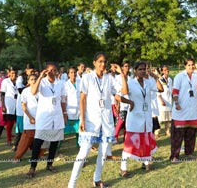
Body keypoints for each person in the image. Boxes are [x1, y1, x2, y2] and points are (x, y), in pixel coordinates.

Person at [68, 52, 129, 188]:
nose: (103, 64)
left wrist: (121, 73)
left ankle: (97, 179)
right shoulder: (87, 77)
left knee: (103, 153)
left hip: (106, 121)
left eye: (105, 61)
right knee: (83, 153)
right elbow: (82, 99)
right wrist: (82, 120)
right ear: (94, 62)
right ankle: (71, 184)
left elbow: (124, 91)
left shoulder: (110, 78)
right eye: (100, 61)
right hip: (91, 121)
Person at [119, 61, 163, 178]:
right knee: (130, 144)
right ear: (135, 71)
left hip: (146, 117)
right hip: (134, 117)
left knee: (145, 142)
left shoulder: (149, 82)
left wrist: (155, 77)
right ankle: (123, 168)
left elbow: (160, 89)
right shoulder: (130, 83)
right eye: (140, 69)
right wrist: (130, 102)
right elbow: (120, 96)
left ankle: (146, 163)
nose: (143, 71)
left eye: (144, 69)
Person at [26, 62, 67, 178]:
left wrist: (64, 114)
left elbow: (63, 100)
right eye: (50, 70)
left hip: (57, 116)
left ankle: (49, 164)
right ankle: (32, 167)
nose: (52, 72)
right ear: (46, 71)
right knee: (37, 143)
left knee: (54, 143)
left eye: (54, 70)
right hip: (44, 118)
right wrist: (40, 76)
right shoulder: (42, 82)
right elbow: (33, 91)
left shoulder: (61, 83)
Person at [170, 57, 197, 163]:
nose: (191, 67)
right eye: (189, 65)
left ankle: (189, 153)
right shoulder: (179, 76)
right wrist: (176, 103)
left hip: (192, 110)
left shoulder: (196, 76)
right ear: (185, 66)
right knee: (177, 135)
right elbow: (175, 91)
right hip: (181, 109)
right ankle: (174, 156)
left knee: (191, 133)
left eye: (192, 64)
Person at [14, 74, 38, 161]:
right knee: (26, 139)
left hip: (41, 119)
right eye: (32, 79)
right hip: (29, 119)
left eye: (35, 79)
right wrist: (30, 117)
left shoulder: (42, 90)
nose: (34, 81)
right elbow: (24, 106)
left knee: (41, 138)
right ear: (28, 81)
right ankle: (18, 156)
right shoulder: (25, 91)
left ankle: (39, 154)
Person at [63, 67, 81, 147]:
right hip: (70, 110)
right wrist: (65, 112)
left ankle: (79, 145)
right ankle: (58, 147)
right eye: (71, 72)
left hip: (79, 109)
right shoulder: (65, 85)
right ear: (68, 74)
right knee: (64, 131)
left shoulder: (80, 82)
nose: (73, 74)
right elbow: (64, 99)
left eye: (74, 72)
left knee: (79, 129)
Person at [0, 68, 18, 146]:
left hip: (18, 105)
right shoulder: (5, 81)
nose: (14, 75)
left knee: (18, 124)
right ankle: (9, 139)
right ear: (9, 74)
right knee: (9, 124)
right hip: (9, 105)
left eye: (15, 73)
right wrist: (3, 105)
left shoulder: (19, 81)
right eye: (12, 73)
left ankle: (18, 139)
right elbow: (2, 94)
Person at [156, 65, 173, 136]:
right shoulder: (160, 79)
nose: (167, 71)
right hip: (162, 101)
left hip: (169, 100)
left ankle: (167, 131)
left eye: (168, 69)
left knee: (168, 119)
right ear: (162, 71)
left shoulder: (170, 79)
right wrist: (161, 100)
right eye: (165, 70)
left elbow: (171, 89)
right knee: (160, 118)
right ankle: (156, 132)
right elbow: (157, 91)